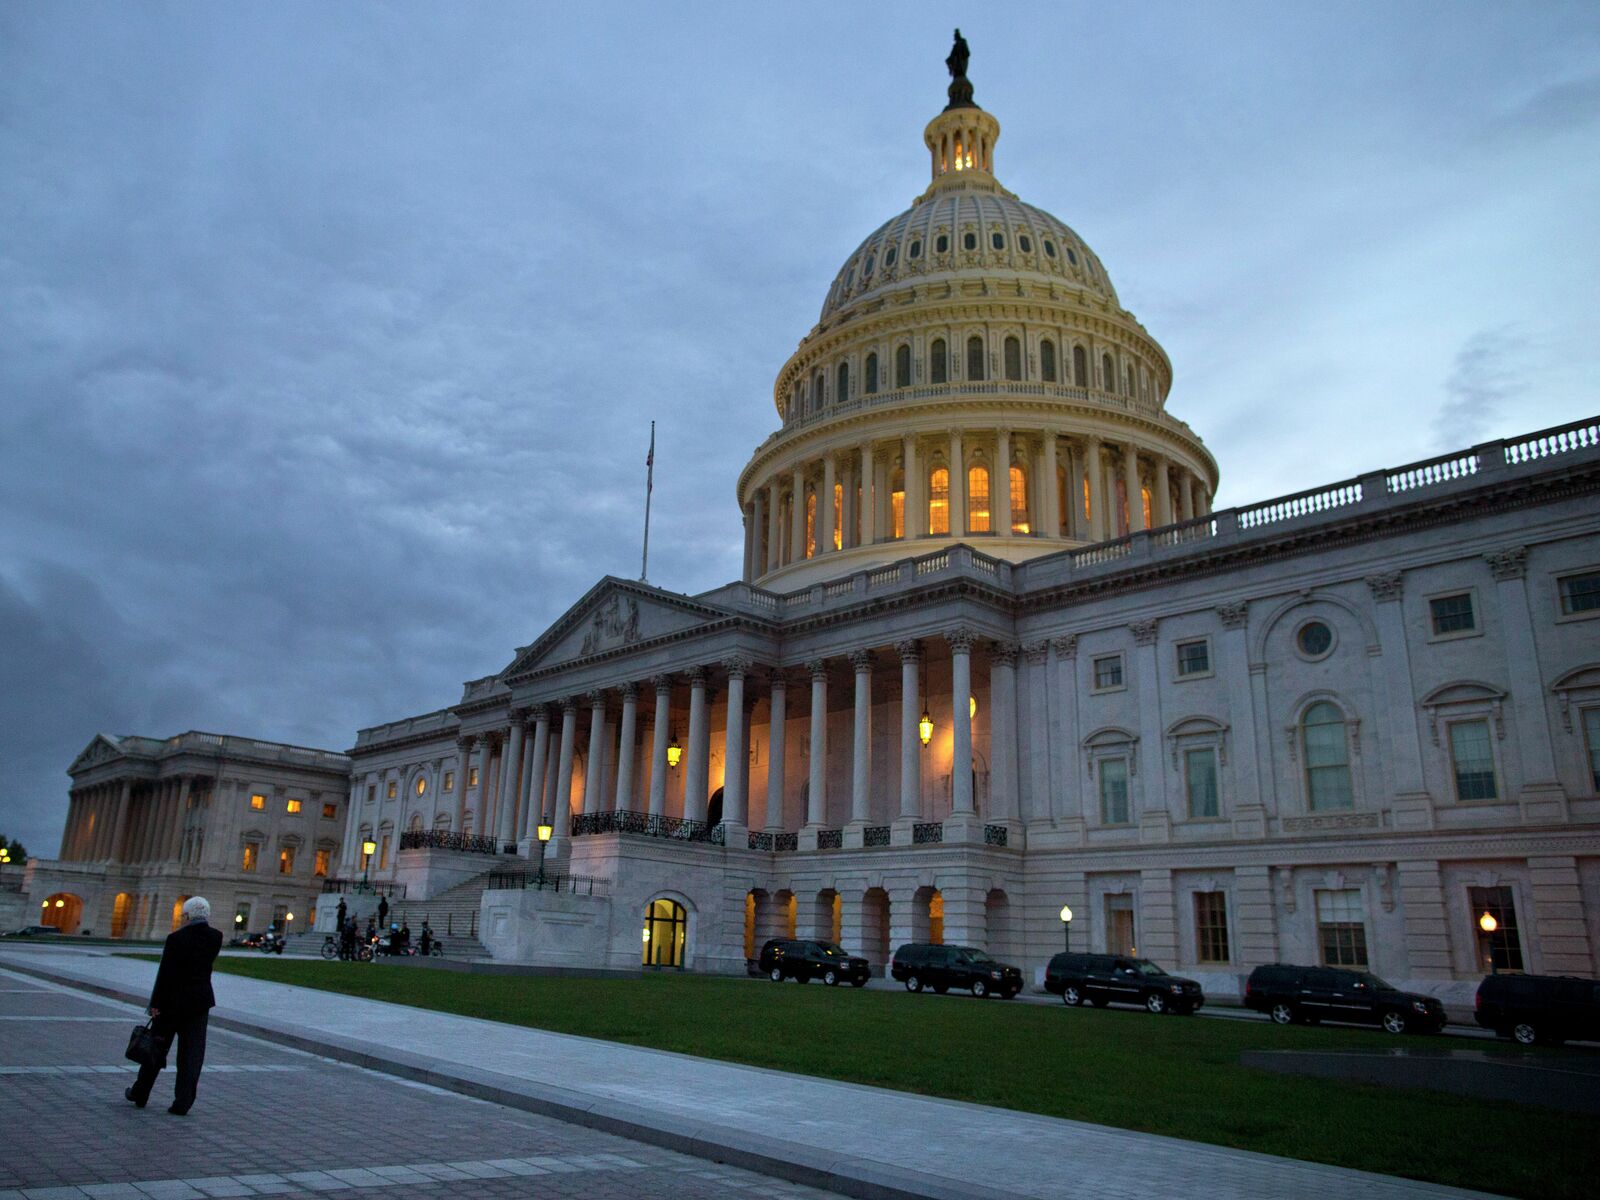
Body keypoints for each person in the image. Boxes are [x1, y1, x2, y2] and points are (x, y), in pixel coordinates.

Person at [125, 895, 222, 1116]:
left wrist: (155, 1004)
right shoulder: (216, 937)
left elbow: (166, 974)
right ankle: (183, 1102)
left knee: (155, 1050)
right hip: (199, 1003)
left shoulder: (176, 938)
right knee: (192, 1055)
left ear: (187, 915)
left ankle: (140, 1092)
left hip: (171, 1003)